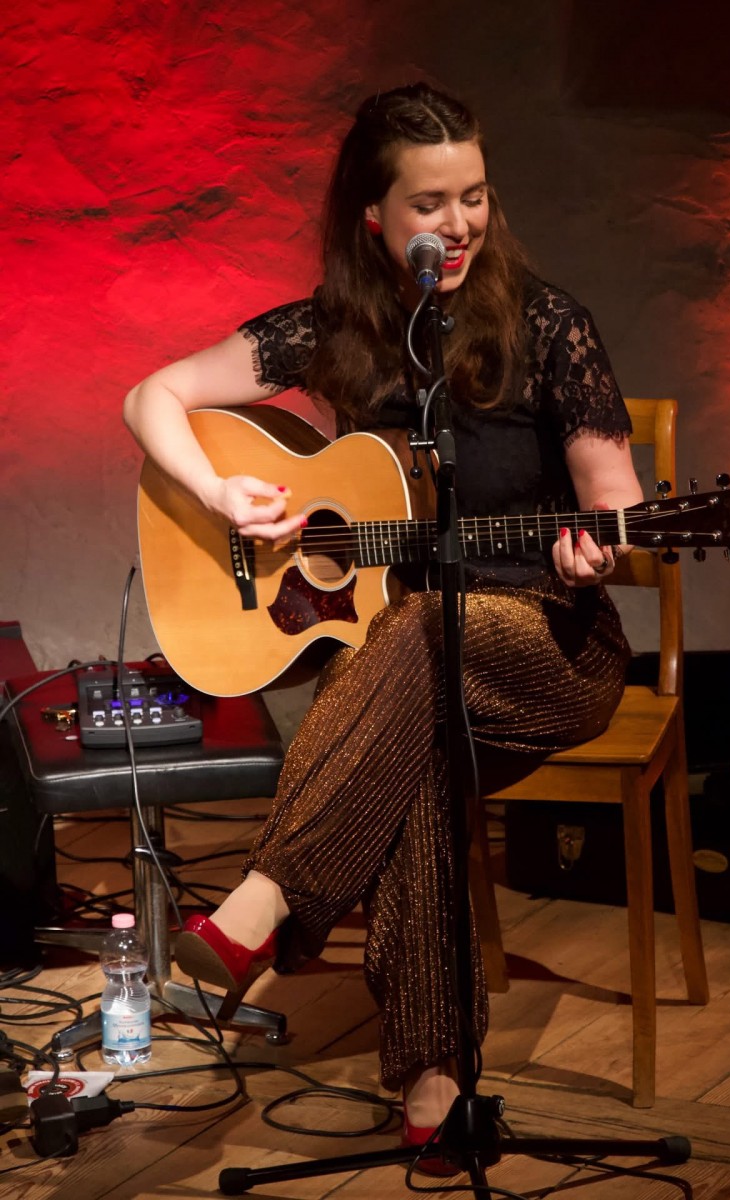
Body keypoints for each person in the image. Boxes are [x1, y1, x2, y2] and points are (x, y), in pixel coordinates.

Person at [123, 82, 643, 1165]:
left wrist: (602, 547)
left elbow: (618, 509)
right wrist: (221, 495)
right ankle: (435, 1084)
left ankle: (266, 899)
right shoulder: (336, 328)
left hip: (547, 645)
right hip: (405, 677)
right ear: (374, 214)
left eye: (474, 196)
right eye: (429, 204)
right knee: (413, 738)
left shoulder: (548, 325)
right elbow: (153, 397)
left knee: (417, 632)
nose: (458, 224)